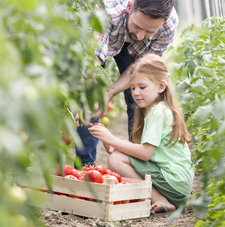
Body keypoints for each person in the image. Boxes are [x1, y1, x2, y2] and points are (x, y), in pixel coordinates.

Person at [75, 0, 179, 167]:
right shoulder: (106, 12)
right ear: (130, 7)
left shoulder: (168, 25)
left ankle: (136, 165)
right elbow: (92, 62)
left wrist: (109, 92)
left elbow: (142, 69)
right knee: (90, 99)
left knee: (141, 98)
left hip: (137, 51)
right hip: (112, 30)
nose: (139, 36)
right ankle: (85, 167)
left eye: (149, 31)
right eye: (137, 26)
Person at [89, 53, 194, 213]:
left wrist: (112, 139)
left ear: (161, 86)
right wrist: (116, 145)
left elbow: (145, 154)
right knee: (118, 155)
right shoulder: (160, 109)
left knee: (115, 160)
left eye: (142, 87)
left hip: (173, 183)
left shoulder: (157, 113)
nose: (136, 93)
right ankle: (160, 197)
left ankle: (159, 198)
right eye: (132, 88)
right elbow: (148, 154)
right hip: (178, 184)